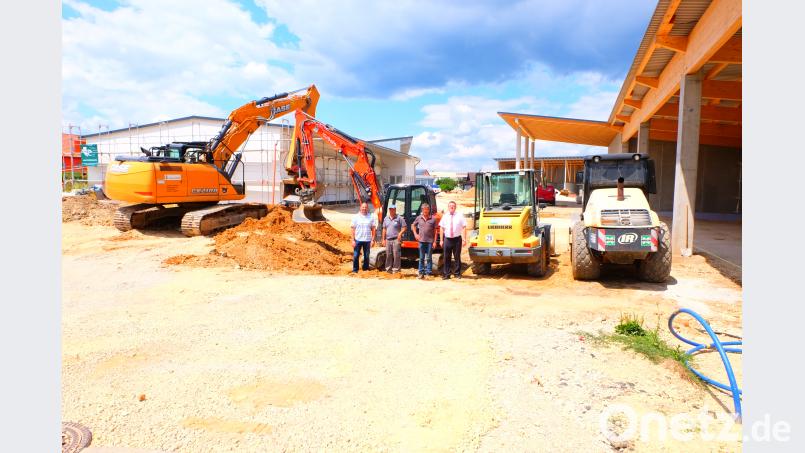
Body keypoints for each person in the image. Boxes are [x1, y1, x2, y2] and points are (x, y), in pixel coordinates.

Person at [439, 200, 467, 280]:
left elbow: (464, 227)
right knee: (446, 257)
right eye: (450, 206)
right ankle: (446, 274)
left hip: (457, 240)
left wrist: (464, 239)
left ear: (455, 207)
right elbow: (441, 227)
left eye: (453, 206)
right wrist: (441, 240)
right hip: (447, 239)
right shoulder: (445, 216)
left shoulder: (460, 216)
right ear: (448, 207)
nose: (452, 207)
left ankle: (457, 274)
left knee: (457, 257)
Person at [411, 203, 437, 279]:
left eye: (427, 209)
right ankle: (421, 273)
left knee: (429, 258)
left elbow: (435, 231)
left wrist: (435, 242)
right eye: (424, 209)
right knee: (421, 258)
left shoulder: (433, 219)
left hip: (430, 241)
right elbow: (413, 225)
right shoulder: (419, 218)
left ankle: (428, 273)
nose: (425, 211)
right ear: (422, 210)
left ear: (428, 210)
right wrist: (415, 234)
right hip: (421, 241)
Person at [350, 202, 377, 273]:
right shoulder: (356, 217)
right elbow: (352, 229)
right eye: (363, 207)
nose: (364, 208)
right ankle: (355, 270)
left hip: (367, 240)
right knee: (356, 255)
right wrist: (353, 240)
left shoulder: (371, 217)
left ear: (367, 208)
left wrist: (373, 240)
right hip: (358, 239)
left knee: (367, 256)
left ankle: (365, 269)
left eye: (365, 207)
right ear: (360, 208)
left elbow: (373, 229)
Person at [381, 204, 407, 274]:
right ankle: (388, 269)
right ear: (389, 210)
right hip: (388, 239)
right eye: (390, 209)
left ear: (395, 210)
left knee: (396, 255)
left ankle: (396, 270)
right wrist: (383, 239)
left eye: (393, 209)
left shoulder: (399, 218)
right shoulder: (386, 218)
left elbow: (404, 227)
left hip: (396, 239)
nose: (391, 210)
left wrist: (400, 233)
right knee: (388, 255)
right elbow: (384, 229)